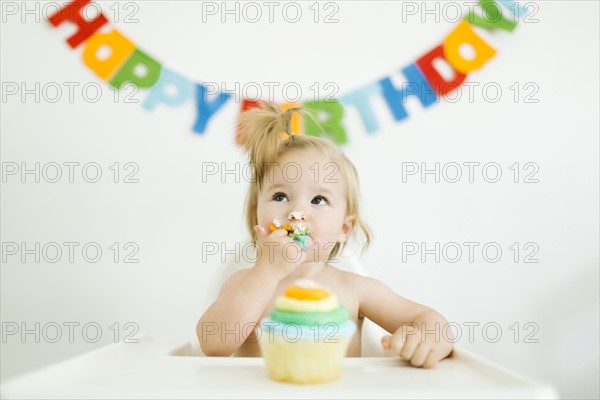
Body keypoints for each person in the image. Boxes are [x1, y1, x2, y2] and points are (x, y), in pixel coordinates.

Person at [197, 102, 454, 368]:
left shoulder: (356, 290)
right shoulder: (243, 285)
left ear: (345, 228)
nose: (297, 212)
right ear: (255, 219)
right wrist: (267, 272)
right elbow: (212, 344)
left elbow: (428, 318)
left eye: (318, 200)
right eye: (280, 196)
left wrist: (428, 337)